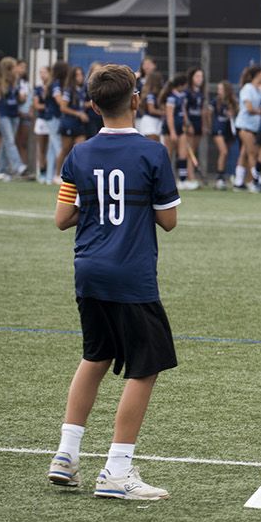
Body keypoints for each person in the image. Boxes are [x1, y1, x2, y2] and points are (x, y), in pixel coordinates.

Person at [47, 63, 181, 499]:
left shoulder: (79, 154)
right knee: (145, 367)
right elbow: (169, 219)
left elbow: (62, 218)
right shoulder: (152, 152)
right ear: (137, 101)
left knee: (96, 357)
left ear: (91, 105)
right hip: (131, 274)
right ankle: (117, 470)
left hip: (89, 270)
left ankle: (66, 455)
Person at [233, 65, 261, 191]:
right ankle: (255, 180)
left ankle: (238, 182)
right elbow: (250, 108)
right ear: (257, 75)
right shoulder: (247, 88)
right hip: (244, 126)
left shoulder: (260, 89)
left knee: (244, 153)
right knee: (252, 152)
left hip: (255, 127)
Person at [209, 80, 238, 189]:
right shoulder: (215, 101)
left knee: (226, 153)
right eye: (218, 89)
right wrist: (209, 126)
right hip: (218, 129)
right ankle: (219, 178)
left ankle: (223, 176)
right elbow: (209, 113)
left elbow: (236, 113)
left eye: (221, 89)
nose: (219, 91)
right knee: (223, 151)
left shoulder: (232, 102)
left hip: (228, 130)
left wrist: (233, 112)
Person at [137, 70, 168, 142]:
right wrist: (164, 113)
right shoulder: (150, 95)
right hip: (150, 121)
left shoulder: (160, 95)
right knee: (153, 142)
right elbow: (151, 110)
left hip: (159, 121)